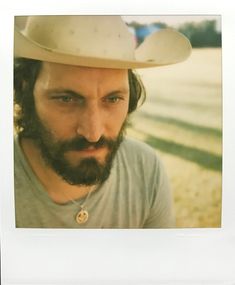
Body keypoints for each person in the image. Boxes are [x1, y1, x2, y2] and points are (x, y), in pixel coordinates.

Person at [14, 15, 191, 228]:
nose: (93, 133)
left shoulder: (146, 169)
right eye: (66, 99)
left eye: (113, 99)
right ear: (26, 89)